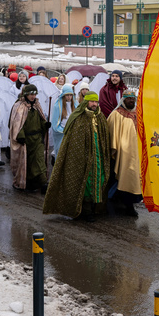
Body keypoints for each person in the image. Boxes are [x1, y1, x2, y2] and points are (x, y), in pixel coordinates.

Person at [43, 91, 111, 220]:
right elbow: (73, 140)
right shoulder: (78, 117)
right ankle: (85, 210)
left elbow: (105, 138)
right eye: (92, 101)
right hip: (82, 158)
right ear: (86, 101)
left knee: (99, 181)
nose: (94, 104)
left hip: (98, 158)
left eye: (96, 102)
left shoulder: (100, 117)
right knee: (85, 184)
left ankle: (95, 208)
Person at [106, 89, 142, 216]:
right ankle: (125, 205)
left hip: (137, 153)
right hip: (123, 154)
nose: (131, 101)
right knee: (122, 176)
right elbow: (110, 133)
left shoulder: (138, 113)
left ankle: (129, 202)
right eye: (128, 99)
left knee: (134, 178)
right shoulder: (116, 114)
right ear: (123, 99)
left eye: (133, 99)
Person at [9, 83, 50, 193]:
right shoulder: (19, 106)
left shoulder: (37, 106)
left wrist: (45, 125)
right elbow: (16, 123)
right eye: (31, 94)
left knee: (39, 160)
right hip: (26, 140)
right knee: (26, 163)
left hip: (37, 139)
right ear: (26, 94)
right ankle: (28, 182)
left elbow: (41, 119)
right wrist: (20, 135)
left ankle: (43, 183)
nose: (33, 96)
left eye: (35, 94)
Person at [49, 84, 75, 160]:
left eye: (71, 95)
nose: (69, 97)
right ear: (63, 95)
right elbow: (55, 124)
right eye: (67, 95)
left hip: (72, 133)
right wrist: (64, 131)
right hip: (62, 134)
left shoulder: (75, 105)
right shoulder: (58, 106)